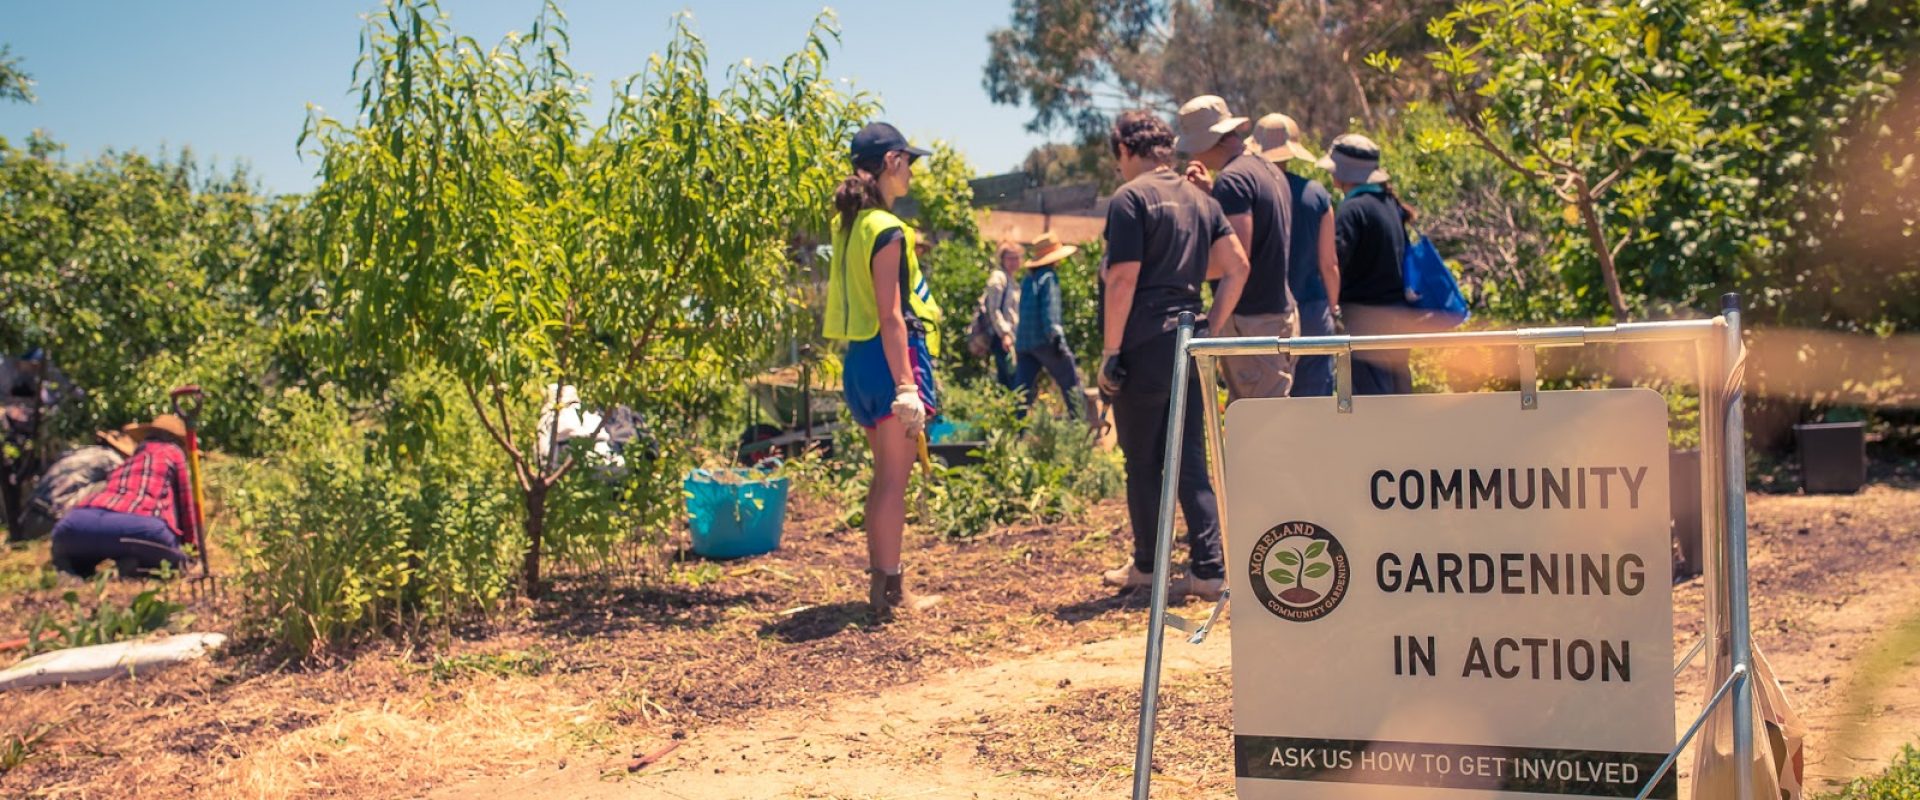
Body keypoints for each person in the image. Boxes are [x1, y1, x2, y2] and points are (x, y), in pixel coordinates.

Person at [1097, 109, 1250, 602]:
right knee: (1190, 461)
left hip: (1143, 343)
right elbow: (1237, 266)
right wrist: (1211, 326)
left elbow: (1122, 279)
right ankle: (1208, 570)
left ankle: (1147, 565)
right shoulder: (1199, 199)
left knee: (1142, 460)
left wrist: (1110, 352)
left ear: (1126, 149)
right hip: (1190, 337)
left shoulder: (1130, 198)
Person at [823, 121, 944, 620]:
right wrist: (907, 385)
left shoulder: (851, 224)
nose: (912, 172)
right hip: (891, 358)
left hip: (858, 362)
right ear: (892, 161)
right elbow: (892, 312)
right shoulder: (888, 229)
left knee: (883, 478)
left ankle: (883, 587)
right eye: (908, 163)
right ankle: (893, 596)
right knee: (896, 480)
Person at [1176, 95, 1295, 400]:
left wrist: (1211, 328)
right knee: (1263, 421)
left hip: (1251, 322)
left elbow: (1236, 262)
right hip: (1276, 313)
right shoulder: (1266, 169)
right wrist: (1212, 193)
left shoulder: (1233, 181)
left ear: (1209, 141)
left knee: (1262, 431)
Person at [1250, 113, 1340, 397]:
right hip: (1313, 310)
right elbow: (1329, 263)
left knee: (1269, 405)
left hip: (1266, 313)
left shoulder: (1249, 194)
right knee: (1315, 405)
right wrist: (1334, 309)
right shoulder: (1316, 194)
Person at [1320, 133, 1416, 395]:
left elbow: (1336, 261)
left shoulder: (1354, 209)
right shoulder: (1389, 204)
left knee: (1373, 403)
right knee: (1398, 396)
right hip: (1398, 318)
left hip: (1367, 321)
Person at [49, 415, 197, 578]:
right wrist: (192, 551)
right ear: (178, 442)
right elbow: (186, 507)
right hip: (140, 529)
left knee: (85, 548)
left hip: (75, 524)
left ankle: (73, 568)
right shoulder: (173, 452)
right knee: (176, 562)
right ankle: (140, 566)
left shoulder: (127, 463)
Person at [1014, 232, 1084, 420]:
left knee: (1021, 393)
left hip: (1024, 344)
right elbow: (1050, 310)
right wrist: (1057, 340)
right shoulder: (1049, 278)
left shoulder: (1029, 279)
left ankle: (1010, 435)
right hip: (1045, 341)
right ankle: (1081, 428)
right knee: (1071, 383)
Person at [969, 242, 1022, 389]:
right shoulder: (998, 278)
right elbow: (994, 309)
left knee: (1012, 376)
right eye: (1010, 258)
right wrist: (1005, 334)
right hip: (1001, 337)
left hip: (1011, 336)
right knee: (1008, 378)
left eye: (1016, 258)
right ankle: (1007, 409)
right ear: (1002, 260)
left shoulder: (1011, 281)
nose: (1014, 262)